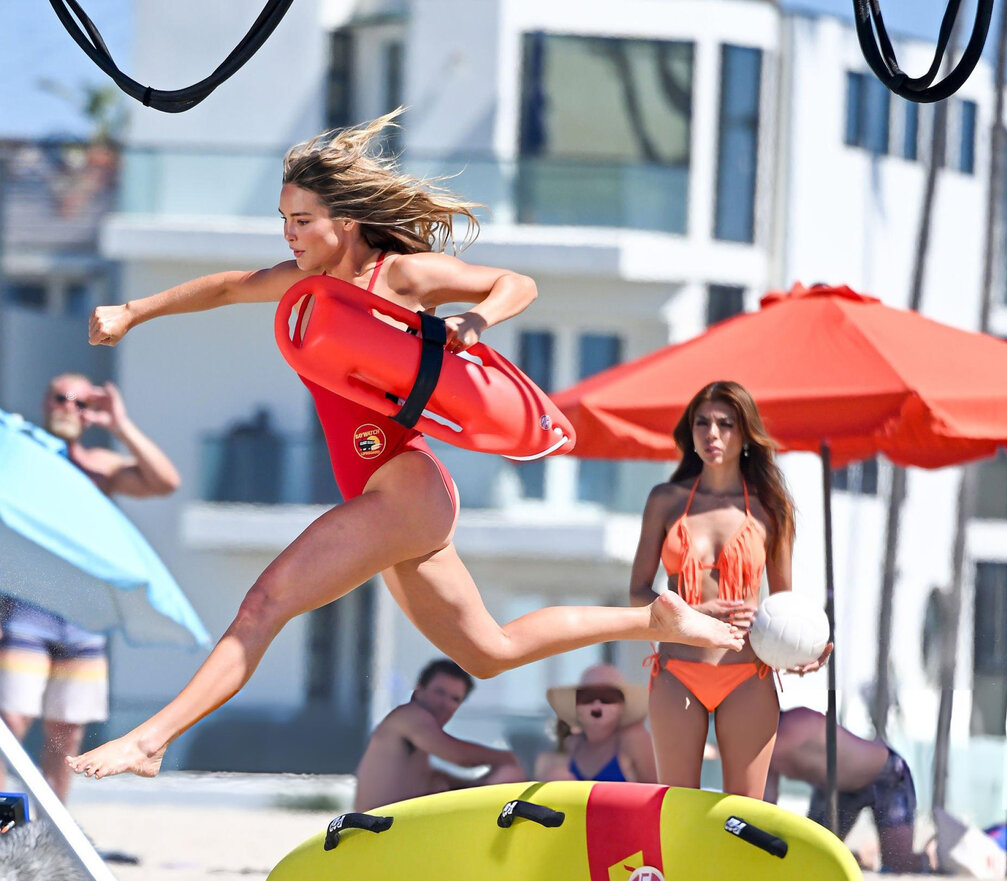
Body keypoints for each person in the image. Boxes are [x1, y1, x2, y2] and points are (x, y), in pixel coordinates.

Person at [68, 112, 742, 783]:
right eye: (283, 221)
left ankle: (150, 740)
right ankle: (652, 618)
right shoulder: (304, 284)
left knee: (264, 604)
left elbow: (517, 284)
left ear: (346, 221)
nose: (289, 234)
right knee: (491, 651)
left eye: (302, 220)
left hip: (404, 487)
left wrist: (477, 320)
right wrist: (134, 311)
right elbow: (225, 286)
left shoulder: (401, 277)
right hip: (396, 500)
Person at [629, 380, 831, 800]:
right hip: (677, 670)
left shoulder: (771, 508)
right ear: (690, 432)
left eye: (725, 424)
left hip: (747, 672)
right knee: (677, 810)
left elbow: (784, 605)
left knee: (742, 815)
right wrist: (692, 613)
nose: (712, 434)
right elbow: (637, 592)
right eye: (702, 423)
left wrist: (800, 651)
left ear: (745, 434)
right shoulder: (665, 500)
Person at [0, 373, 181, 801]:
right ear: (46, 403)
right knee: (10, 725)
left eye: (81, 403)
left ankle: (52, 829)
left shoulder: (98, 466)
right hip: (26, 610)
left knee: (66, 735)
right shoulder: (23, 454)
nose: (70, 407)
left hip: (83, 619)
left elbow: (165, 482)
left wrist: (121, 425)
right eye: (62, 398)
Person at [764, 707, 927, 873]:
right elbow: (766, 805)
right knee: (812, 856)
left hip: (885, 773)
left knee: (898, 865)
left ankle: (932, 854)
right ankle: (861, 856)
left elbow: (768, 753)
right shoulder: (768, 752)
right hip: (835, 792)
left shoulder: (795, 721)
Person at [353, 658, 523, 811]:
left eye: (455, 699)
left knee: (507, 775)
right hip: (377, 830)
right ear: (418, 691)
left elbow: (427, 780)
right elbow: (459, 755)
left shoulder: (419, 740)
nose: (445, 704)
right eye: (439, 692)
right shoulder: (410, 716)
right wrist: (513, 758)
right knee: (510, 772)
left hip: (390, 826)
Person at [535, 662, 657, 784]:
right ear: (576, 706)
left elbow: (657, 790)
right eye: (587, 698)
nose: (597, 704)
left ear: (622, 706)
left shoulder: (635, 741)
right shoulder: (570, 745)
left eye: (608, 698)